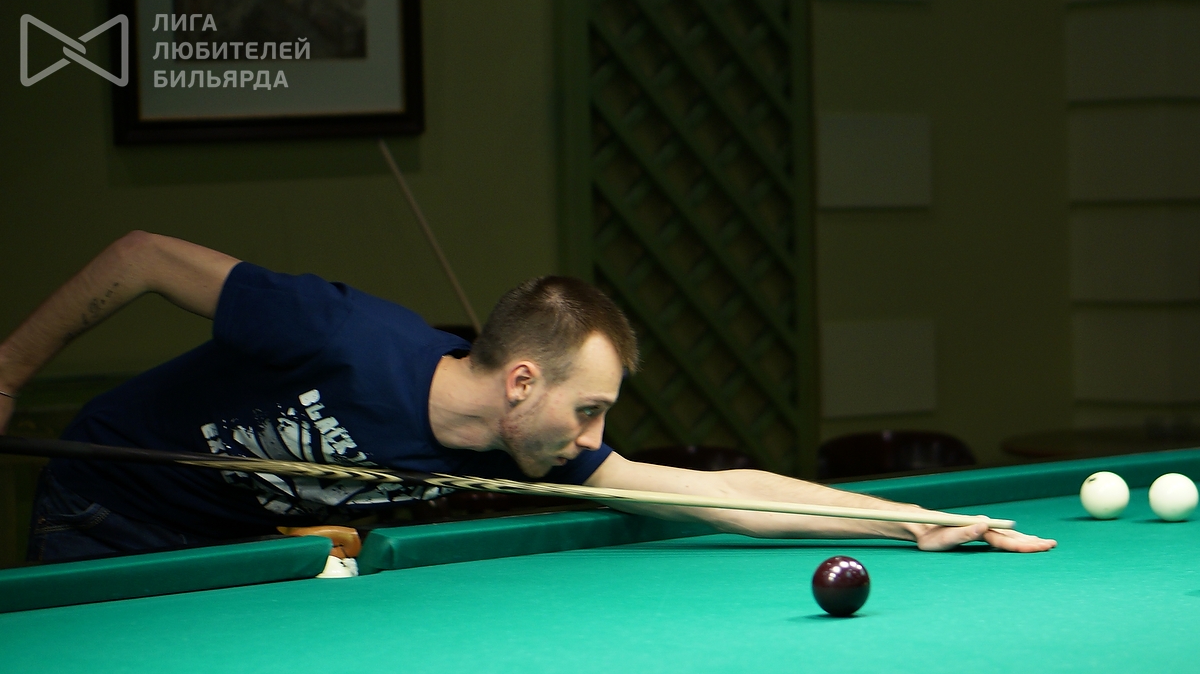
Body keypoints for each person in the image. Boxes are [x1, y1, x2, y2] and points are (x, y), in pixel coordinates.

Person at [0, 232, 1056, 562]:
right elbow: (140, 257)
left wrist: (906, 519)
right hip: (108, 508)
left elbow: (726, 493)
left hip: (230, 546)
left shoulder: (523, 442)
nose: (596, 435)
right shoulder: (328, 330)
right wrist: (7, 373)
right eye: (588, 409)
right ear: (520, 381)